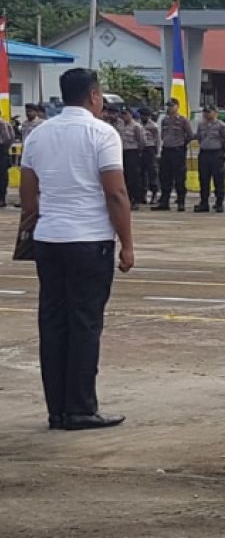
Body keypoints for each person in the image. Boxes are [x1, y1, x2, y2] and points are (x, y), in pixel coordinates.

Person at [20, 68, 134, 430]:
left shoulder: (39, 134)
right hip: (89, 240)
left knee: (53, 323)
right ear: (94, 96)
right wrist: (127, 244)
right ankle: (81, 407)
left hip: (49, 240)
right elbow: (115, 193)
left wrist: (36, 221)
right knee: (85, 324)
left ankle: (57, 410)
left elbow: (27, 196)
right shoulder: (102, 133)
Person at [154, 98, 193, 212]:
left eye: (172, 106)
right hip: (166, 150)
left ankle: (181, 202)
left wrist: (182, 145)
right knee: (165, 177)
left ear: (177, 106)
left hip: (178, 151)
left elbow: (190, 135)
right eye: (168, 106)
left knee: (179, 178)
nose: (170, 108)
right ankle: (164, 202)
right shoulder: (164, 120)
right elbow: (163, 135)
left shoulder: (182, 120)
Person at [195, 105, 225, 213]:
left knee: (218, 179)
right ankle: (204, 203)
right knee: (204, 179)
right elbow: (199, 139)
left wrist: (220, 151)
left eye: (209, 112)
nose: (206, 114)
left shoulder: (221, 126)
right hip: (204, 153)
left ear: (215, 113)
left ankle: (219, 203)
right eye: (205, 112)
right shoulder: (201, 125)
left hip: (216, 154)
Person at [116, 108, 145, 211]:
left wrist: (139, 153)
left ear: (131, 115)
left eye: (125, 114)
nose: (123, 116)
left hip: (133, 152)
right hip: (123, 153)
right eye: (122, 114)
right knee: (125, 177)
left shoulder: (136, 126)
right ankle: (127, 199)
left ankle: (136, 199)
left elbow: (141, 141)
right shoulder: (120, 126)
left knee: (134, 177)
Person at [138, 108, 160, 206]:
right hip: (141, 149)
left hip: (150, 149)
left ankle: (154, 194)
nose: (142, 117)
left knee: (152, 173)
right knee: (141, 173)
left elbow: (158, 140)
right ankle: (143, 194)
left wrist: (157, 152)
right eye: (141, 115)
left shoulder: (153, 126)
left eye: (144, 115)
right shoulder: (138, 124)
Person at [0, 114, 13, 206]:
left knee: (2, 176)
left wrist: (3, 150)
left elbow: (8, 139)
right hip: (3, 152)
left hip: (2, 152)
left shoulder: (3, 124)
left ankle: (2, 199)